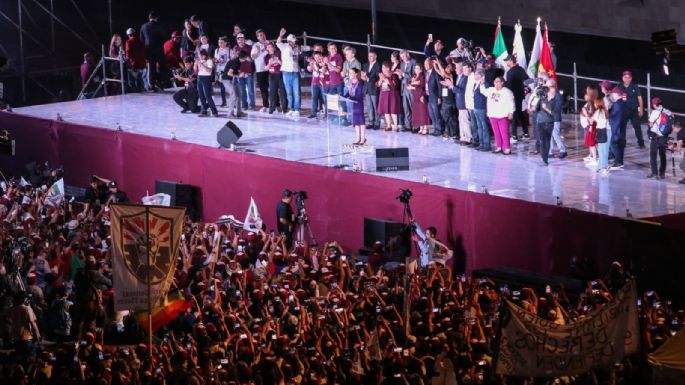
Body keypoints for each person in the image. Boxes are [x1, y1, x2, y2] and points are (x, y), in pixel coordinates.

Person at [480, 76, 515, 154]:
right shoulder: (491, 90)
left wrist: (511, 112)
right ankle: (499, 147)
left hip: (503, 115)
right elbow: (483, 91)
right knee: (496, 132)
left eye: (498, 81)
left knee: (504, 133)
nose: (495, 83)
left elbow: (511, 103)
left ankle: (507, 148)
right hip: (493, 115)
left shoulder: (507, 92)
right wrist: (482, 83)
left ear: (502, 83)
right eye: (495, 81)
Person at [9, 291, 40, 364]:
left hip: (16, 337)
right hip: (26, 337)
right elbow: (32, 322)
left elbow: (4, 316)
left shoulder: (13, 309)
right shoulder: (27, 308)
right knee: (29, 358)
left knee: (19, 359)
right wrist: (37, 335)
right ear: (24, 299)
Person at [276, 28, 301, 117]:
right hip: (286, 72)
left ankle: (297, 109)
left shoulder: (297, 48)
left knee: (296, 92)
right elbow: (278, 42)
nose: (294, 42)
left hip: (295, 72)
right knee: (289, 92)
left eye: (295, 41)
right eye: (293, 41)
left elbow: (303, 50)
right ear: (289, 41)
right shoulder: (284, 46)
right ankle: (292, 109)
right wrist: (281, 35)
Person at [504, 55, 530, 141]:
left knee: (514, 114)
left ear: (511, 61)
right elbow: (528, 80)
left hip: (513, 96)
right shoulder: (521, 69)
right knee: (519, 112)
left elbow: (509, 87)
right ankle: (526, 133)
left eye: (507, 61)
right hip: (520, 96)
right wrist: (526, 89)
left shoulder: (510, 72)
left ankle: (514, 136)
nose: (506, 62)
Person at [618, 70, 645, 148]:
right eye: (625, 77)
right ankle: (623, 143)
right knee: (622, 127)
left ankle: (641, 143)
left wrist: (641, 109)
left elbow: (640, 98)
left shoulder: (635, 86)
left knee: (637, 127)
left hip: (634, 110)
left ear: (631, 78)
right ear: (622, 78)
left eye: (628, 77)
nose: (627, 79)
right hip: (623, 111)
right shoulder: (619, 86)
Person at [139, 11, 166, 91]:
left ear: (149, 18)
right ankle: (160, 83)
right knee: (161, 67)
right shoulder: (159, 26)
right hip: (159, 49)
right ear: (156, 18)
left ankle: (152, 84)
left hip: (149, 50)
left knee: (151, 67)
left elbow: (141, 40)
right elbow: (164, 37)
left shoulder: (143, 26)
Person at [646, 97, 671, 179]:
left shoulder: (654, 112)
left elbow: (650, 124)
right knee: (662, 155)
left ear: (653, 105)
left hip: (656, 136)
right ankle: (662, 173)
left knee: (653, 155)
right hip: (664, 136)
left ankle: (654, 174)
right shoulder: (667, 111)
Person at [436, 60, 458, 140]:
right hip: (445, 98)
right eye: (447, 66)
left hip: (449, 98)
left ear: (451, 69)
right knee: (446, 116)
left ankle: (452, 133)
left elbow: (443, 72)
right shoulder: (445, 74)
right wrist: (435, 65)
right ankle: (449, 132)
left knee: (449, 116)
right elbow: (439, 71)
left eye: (449, 67)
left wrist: (438, 63)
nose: (447, 68)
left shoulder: (451, 75)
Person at [377, 61, 401, 131]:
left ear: (388, 68)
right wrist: (381, 80)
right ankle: (388, 125)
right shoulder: (381, 76)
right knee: (386, 110)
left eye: (384, 68)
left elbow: (394, 85)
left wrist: (385, 78)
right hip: (384, 95)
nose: (382, 69)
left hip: (392, 95)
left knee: (393, 110)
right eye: (382, 67)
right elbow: (378, 85)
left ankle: (396, 126)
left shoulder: (393, 75)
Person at [344, 68, 366, 145]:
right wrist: (344, 96)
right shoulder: (350, 82)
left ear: (356, 74)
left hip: (358, 103)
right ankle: (357, 138)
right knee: (356, 121)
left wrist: (351, 98)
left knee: (361, 121)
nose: (350, 74)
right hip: (353, 103)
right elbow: (349, 92)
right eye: (349, 73)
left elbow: (359, 95)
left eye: (351, 73)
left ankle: (363, 138)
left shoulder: (359, 83)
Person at [408, 63, 431, 135]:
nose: (416, 70)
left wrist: (414, 85)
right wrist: (413, 83)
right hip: (415, 96)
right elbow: (409, 83)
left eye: (417, 68)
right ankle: (421, 127)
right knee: (418, 112)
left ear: (421, 69)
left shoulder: (422, 76)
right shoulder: (414, 76)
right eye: (415, 68)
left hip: (421, 95)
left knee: (423, 112)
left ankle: (425, 128)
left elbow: (422, 84)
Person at [233, 33, 255, 111]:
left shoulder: (249, 47)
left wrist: (245, 57)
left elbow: (251, 60)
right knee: (242, 90)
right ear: (237, 40)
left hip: (249, 72)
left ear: (244, 39)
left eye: (242, 38)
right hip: (240, 73)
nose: (240, 40)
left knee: (250, 90)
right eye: (239, 39)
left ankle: (252, 105)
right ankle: (244, 105)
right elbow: (235, 60)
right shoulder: (235, 48)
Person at [195, 49, 218, 117]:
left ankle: (214, 111)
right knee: (201, 95)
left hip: (206, 78)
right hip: (199, 77)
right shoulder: (199, 60)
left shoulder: (209, 61)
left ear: (205, 55)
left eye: (203, 55)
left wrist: (201, 64)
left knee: (207, 95)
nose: (201, 57)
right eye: (200, 55)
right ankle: (203, 110)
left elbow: (209, 70)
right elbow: (195, 70)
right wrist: (195, 64)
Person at [453, 59, 471, 144]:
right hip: (459, 103)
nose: (455, 69)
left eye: (457, 67)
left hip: (464, 103)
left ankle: (468, 138)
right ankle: (463, 137)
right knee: (461, 121)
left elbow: (462, 91)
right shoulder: (459, 77)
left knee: (465, 121)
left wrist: (451, 86)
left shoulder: (465, 78)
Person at [472, 69, 491, 151]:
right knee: (479, 127)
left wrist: (487, 109)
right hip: (476, 107)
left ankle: (487, 145)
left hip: (482, 108)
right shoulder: (476, 84)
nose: (474, 76)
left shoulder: (485, 83)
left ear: (481, 75)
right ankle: (481, 143)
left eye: (476, 74)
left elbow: (487, 96)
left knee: (484, 126)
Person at [251, 29, 270, 112]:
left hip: (270, 69)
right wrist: (258, 51)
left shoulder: (269, 43)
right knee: (263, 89)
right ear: (257, 37)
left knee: (273, 88)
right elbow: (253, 57)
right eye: (259, 35)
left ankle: (276, 105)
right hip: (260, 70)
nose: (261, 37)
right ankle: (266, 105)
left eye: (262, 35)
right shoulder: (255, 45)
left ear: (264, 35)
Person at [222, 51, 245, 118]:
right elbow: (229, 73)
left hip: (233, 80)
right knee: (233, 95)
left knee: (238, 95)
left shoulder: (238, 62)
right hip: (227, 80)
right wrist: (239, 76)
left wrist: (242, 74)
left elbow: (237, 71)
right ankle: (230, 113)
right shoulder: (236, 62)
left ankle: (239, 112)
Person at [265, 42, 286, 115]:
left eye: (271, 46)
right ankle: (272, 108)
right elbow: (266, 68)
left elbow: (284, 64)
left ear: (274, 47)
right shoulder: (266, 56)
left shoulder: (279, 53)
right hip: (272, 75)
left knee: (283, 92)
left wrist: (278, 61)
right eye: (268, 47)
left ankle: (284, 108)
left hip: (280, 74)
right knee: (272, 92)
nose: (270, 48)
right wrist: (269, 63)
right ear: (267, 48)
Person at [424, 58, 444, 137]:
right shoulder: (426, 73)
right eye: (425, 64)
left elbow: (439, 86)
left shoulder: (435, 72)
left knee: (437, 114)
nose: (426, 66)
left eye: (427, 64)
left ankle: (439, 130)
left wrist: (439, 97)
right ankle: (435, 129)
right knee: (432, 114)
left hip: (435, 96)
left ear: (431, 64)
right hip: (428, 96)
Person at [608, 87, 626, 170]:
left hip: (616, 128)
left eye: (612, 94)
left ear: (616, 94)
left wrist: (607, 111)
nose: (611, 95)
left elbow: (611, 115)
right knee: (619, 145)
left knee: (613, 144)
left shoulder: (617, 105)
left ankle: (618, 161)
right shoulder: (621, 103)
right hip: (620, 128)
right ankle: (619, 161)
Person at [361, 51, 380, 130]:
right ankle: (371, 122)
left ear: (375, 56)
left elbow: (377, 77)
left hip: (373, 88)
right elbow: (363, 77)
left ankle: (377, 123)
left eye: (371, 56)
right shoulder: (365, 65)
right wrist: (363, 77)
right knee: (369, 106)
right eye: (369, 56)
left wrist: (367, 78)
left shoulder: (378, 65)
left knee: (375, 106)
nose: (369, 58)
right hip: (367, 88)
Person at [591, 97, 610, 173]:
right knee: (603, 149)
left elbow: (592, 120)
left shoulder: (598, 112)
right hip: (605, 130)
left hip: (600, 130)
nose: (594, 104)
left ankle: (604, 167)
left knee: (601, 150)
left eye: (595, 103)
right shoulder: (604, 111)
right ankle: (602, 165)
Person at [581, 87, 599, 166]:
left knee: (592, 142)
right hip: (590, 125)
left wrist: (586, 114)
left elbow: (592, 117)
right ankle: (594, 157)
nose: (585, 96)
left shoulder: (593, 104)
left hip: (592, 126)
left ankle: (594, 158)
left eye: (587, 94)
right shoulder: (590, 104)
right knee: (592, 142)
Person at [399, 50, 416, 132]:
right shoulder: (402, 64)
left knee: (413, 107)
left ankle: (415, 126)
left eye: (404, 56)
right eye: (401, 57)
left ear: (408, 54)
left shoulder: (413, 62)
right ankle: (408, 125)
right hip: (404, 88)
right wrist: (399, 75)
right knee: (406, 108)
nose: (402, 58)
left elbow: (414, 75)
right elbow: (402, 77)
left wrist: (402, 74)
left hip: (411, 87)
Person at [124, 27, 146, 92]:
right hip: (142, 65)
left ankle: (134, 97)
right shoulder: (140, 41)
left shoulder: (128, 42)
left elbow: (128, 53)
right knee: (140, 80)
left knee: (131, 82)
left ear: (128, 35)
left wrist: (127, 61)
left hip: (133, 65)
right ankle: (142, 95)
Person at [306, 50, 327, 119]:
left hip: (323, 83)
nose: (317, 58)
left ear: (321, 56)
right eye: (316, 57)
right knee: (314, 98)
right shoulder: (313, 63)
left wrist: (317, 67)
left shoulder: (324, 63)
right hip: (314, 83)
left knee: (324, 99)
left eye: (319, 56)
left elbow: (323, 71)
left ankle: (326, 114)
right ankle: (313, 113)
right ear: (314, 57)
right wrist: (310, 66)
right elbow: (309, 69)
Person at [215, 36, 232, 107]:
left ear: (225, 43)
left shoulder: (229, 50)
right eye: (219, 43)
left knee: (229, 87)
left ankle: (231, 102)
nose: (220, 44)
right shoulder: (217, 50)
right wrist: (216, 61)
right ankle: (224, 102)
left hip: (227, 71)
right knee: (222, 88)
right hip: (220, 71)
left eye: (221, 42)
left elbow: (232, 60)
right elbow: (216, 60)